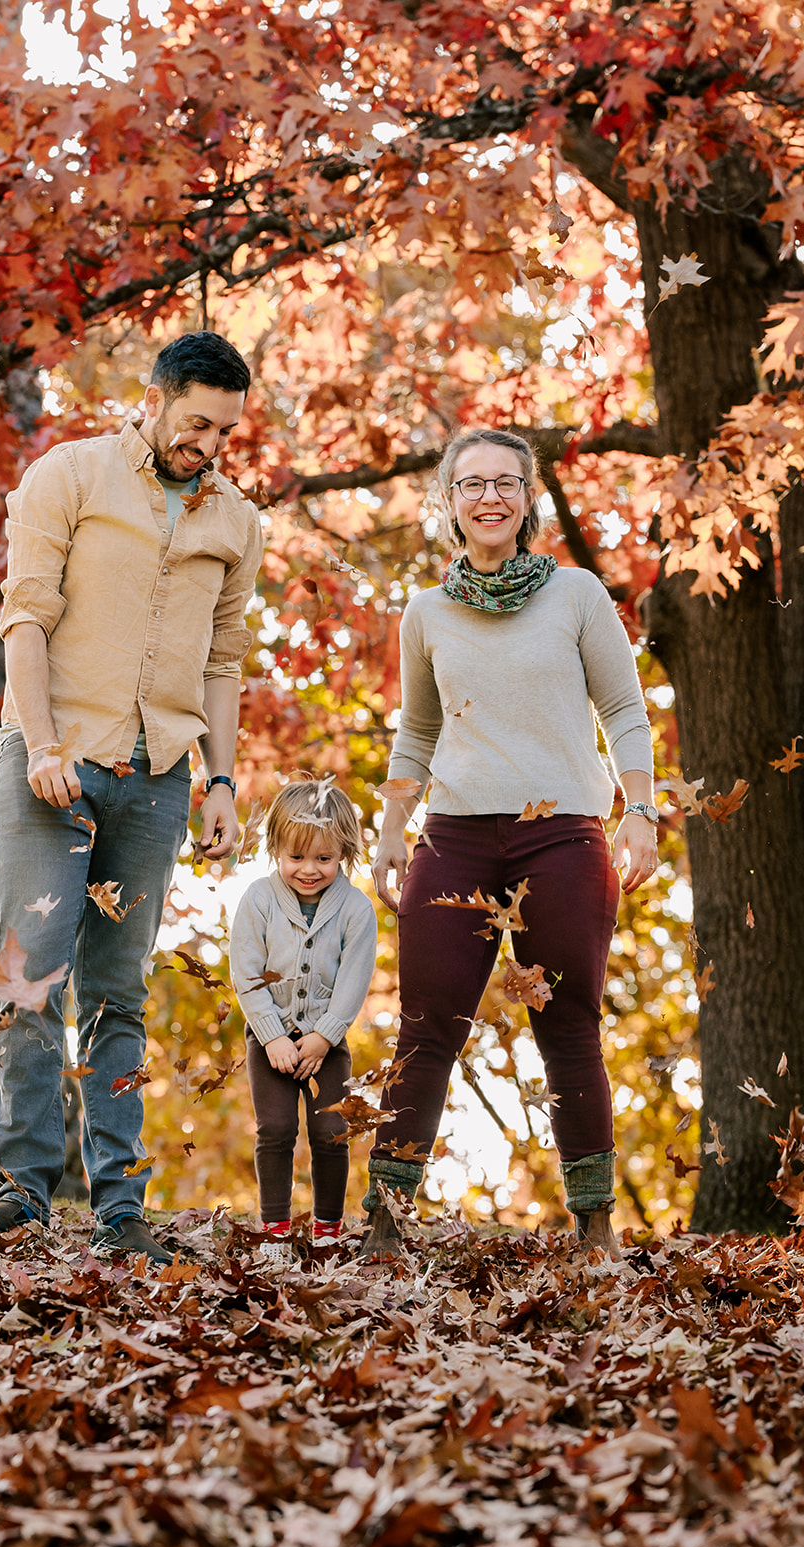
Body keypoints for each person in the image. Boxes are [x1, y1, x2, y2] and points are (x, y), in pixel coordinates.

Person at [0, 330, 263, 1261]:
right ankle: (22, 1193)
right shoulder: (70, 476)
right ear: (155, 397)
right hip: (53, 764)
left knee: (118, 994)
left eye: (223, 431)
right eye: (195, 424)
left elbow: (222, 662)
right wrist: (44, 743)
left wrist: (221, 779)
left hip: (157, 780)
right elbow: (26, 619)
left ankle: (119, 1210)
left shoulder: (235, 522)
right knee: (32, 982)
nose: (208, 445)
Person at [367, 427, 657, 1261]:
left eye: (504, 482)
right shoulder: (425, 611)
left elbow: (625, 711)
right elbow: (415, 733)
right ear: (448, 502)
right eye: (470, 484)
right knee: (425, 1028)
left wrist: (637, 809)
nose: (488, 497)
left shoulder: (575, 595)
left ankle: (594, 1224)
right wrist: (392, 832)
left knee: (568, 1025)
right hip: (452, 839)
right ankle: (385, 1224)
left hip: (562, 838)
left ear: (526, 496)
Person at [229, 780, 377, 1265]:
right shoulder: (259, 899)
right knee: (274, 1129)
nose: (309, 870)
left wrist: (323, 1037)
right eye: (296, 857)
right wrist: (272, 1036)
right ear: (276, 849)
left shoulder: (355, 909)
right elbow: (245, 972)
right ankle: (274, 1229)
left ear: (344, 853)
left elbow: (355, 979)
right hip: (268, 1038)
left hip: (325, 1044)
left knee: (329, 1134)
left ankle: (328, 1228)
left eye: (324, 859)